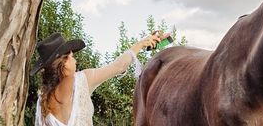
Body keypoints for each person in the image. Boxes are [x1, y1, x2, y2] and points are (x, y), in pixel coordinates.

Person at [31, 31, 168, 126]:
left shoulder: (42, 101)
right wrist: (141, 44)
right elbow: (118, 66)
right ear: (62, 65)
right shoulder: (82, 81)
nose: (75, 60)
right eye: (70, 57)